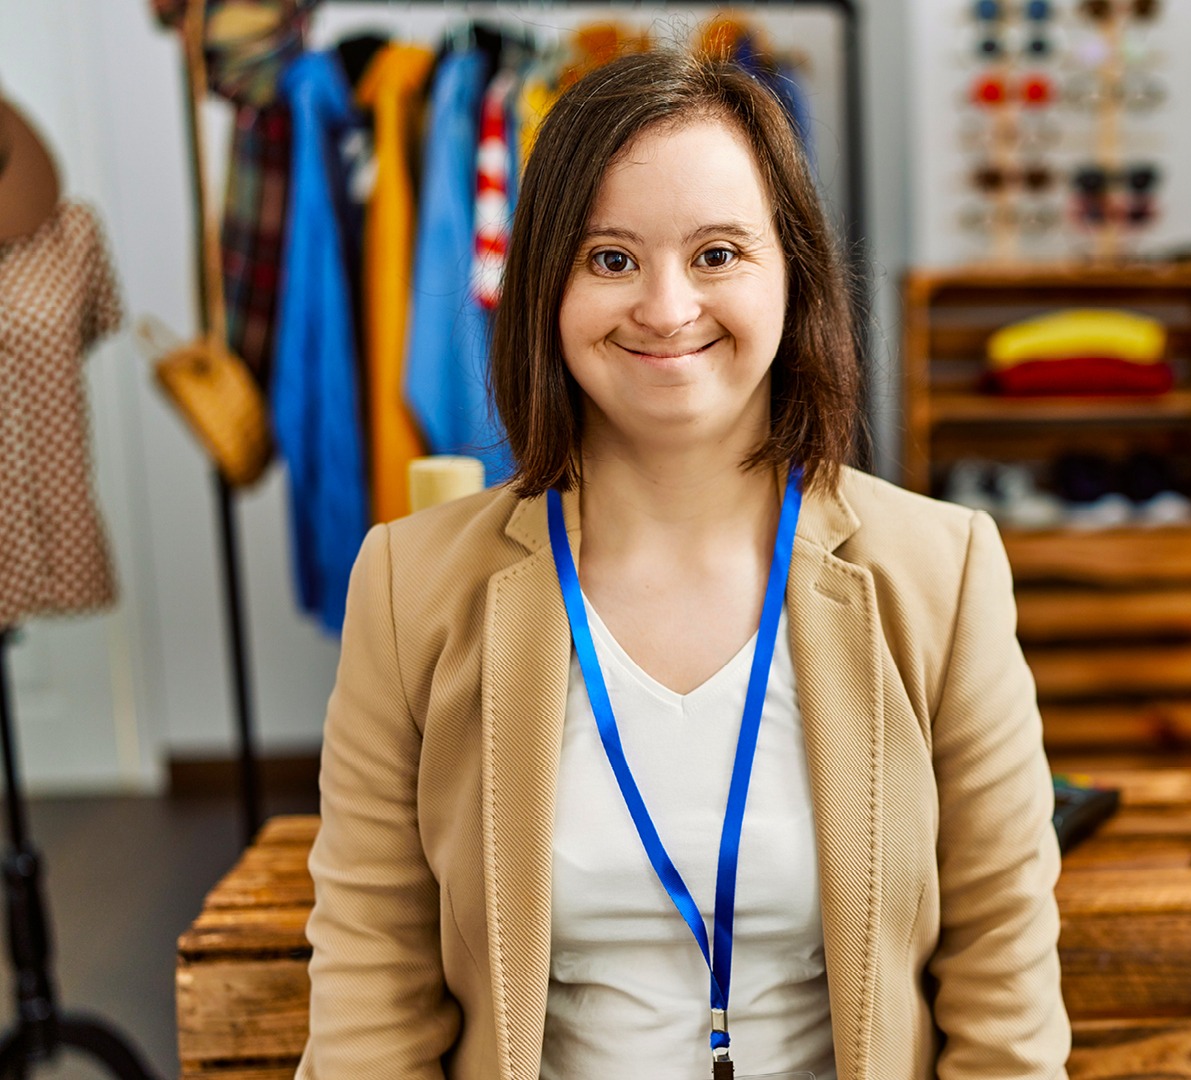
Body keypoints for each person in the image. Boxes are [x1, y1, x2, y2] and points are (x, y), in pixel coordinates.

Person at [297, 48, 1069, 1080]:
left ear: (792, 274)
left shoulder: (942, 571)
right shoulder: (408, 587)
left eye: (717, 254)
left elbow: (1003, 986)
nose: (666, 308)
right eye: (610, 258)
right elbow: (370, 993)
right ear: (544, 286)